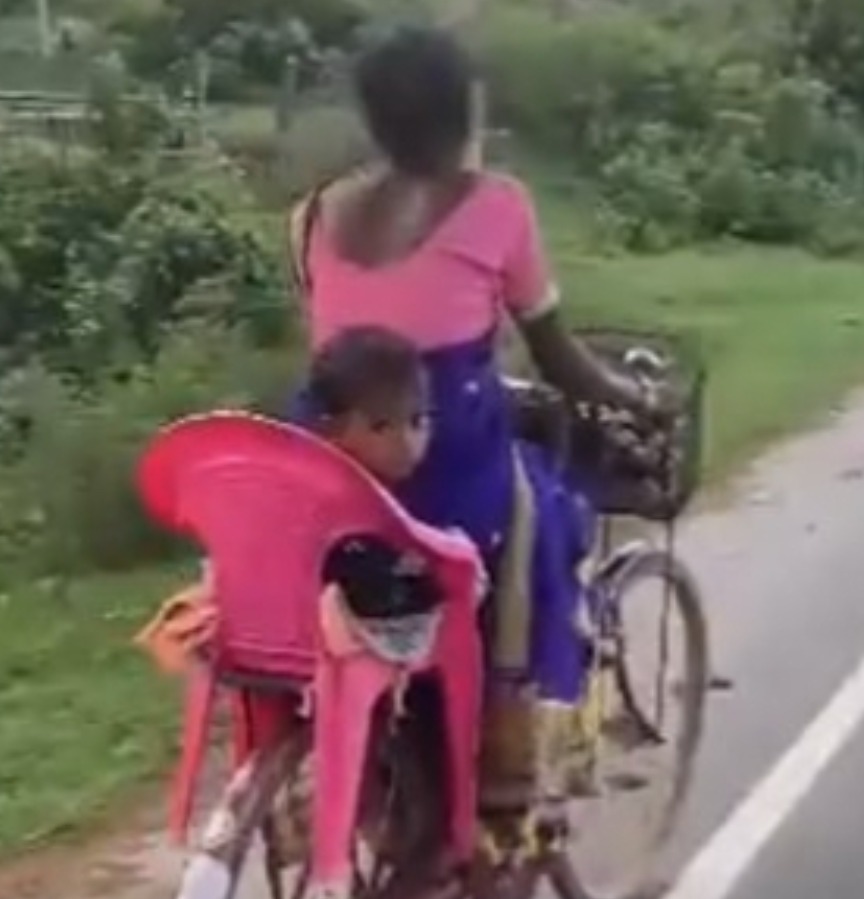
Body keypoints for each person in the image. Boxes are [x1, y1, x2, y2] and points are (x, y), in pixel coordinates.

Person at [286, 25, 669, 804]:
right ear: (465, 113)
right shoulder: (499, 206)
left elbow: (345, 350)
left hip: (330, 458)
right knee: (548, 512)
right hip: (443, 447)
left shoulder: (314, 215)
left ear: (375, 118)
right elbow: (559, 359)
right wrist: (634, 399)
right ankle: (510, 746)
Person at [137, 325, 449, 676]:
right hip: (324, 632)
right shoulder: (347, 500)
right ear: (331, 427)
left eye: (418, 422)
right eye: (380, 427)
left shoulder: (289, 485)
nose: (406, 443)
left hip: (254, 629)